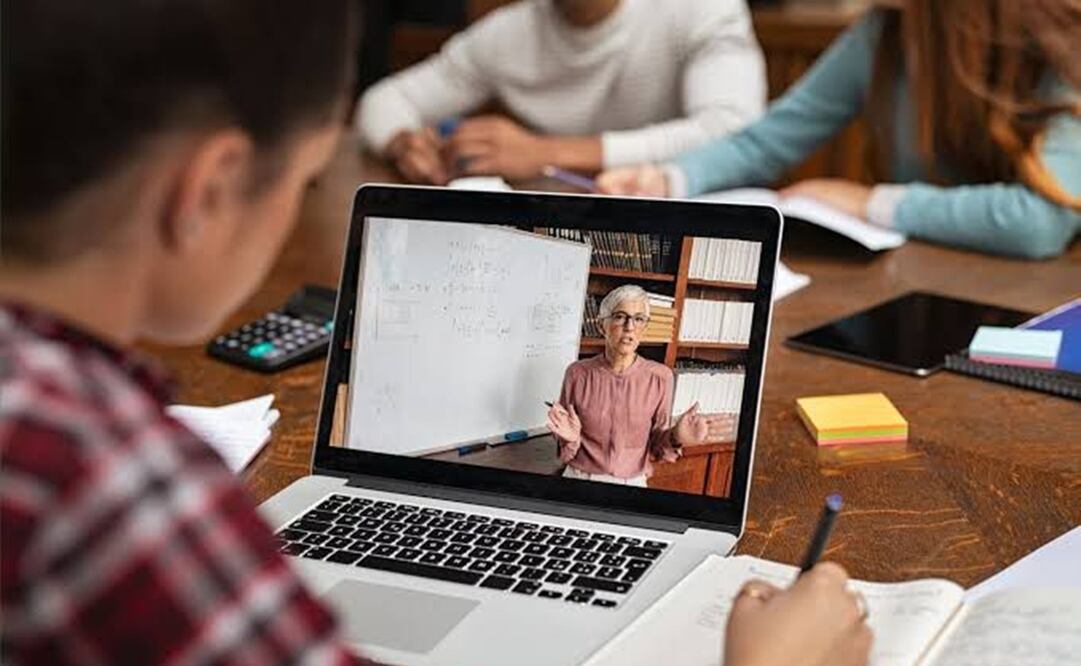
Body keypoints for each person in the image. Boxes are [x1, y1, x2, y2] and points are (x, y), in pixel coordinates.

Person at [0, 2, 870, 663]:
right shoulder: (113, 487)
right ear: (208, 193)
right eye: (306, 180)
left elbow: (656, 449)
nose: (628, 329)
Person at [597, 0, 1081, 260]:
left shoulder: (1060, 39)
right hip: (915, 282)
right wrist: (667, 179)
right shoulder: (887, 31)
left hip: (1029, 310)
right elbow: (771, 137)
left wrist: (873, 202)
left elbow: (1041, 222)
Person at [356, 0, 766, 185]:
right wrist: (403, 143)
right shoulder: (510, 32)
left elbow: (735, 132)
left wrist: (546, 152)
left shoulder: (703, 10)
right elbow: (384, 101)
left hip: (677, 226)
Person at [547, 285, 735, 486]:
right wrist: (569, 439)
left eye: (638, 319)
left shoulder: (660, 377)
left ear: (644, 328)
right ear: (602, 326)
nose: (629, 327)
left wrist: (676, 437)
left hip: (632, 483)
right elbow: (565, 448)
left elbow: (656, 447)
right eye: (620, 317)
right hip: (579, 478)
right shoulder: (577, 373)